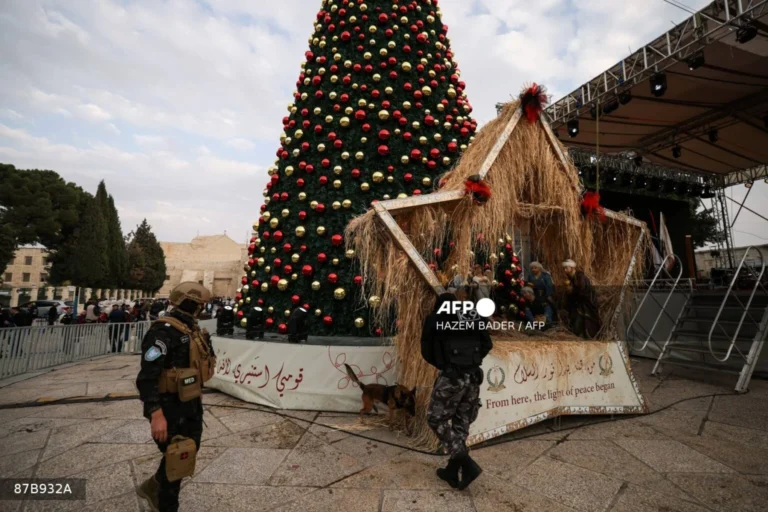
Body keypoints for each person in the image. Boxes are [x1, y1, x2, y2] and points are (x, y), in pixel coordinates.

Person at [136, 282, 216, 512]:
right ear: (189, 304)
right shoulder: (162, 332)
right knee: (179, 458)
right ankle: (165, 505)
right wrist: (156, 414)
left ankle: (153, 486)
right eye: (199, 305)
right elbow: (147, 377)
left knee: (190, 449)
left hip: (190, 405)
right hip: (168, 408)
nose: (202, 309)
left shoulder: (191, 330)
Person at [421, 292, 493, 490]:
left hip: (452, 378)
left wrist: (446, 365)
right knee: (462, 421)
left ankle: (466, 462)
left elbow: (426, 350)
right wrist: (471, 362)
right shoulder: (472, 315)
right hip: (473, 377)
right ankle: (452, 470)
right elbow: (487, 344)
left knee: (436, 419)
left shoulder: (435, 318)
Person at [562, 259, 601, 339]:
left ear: (572, 268)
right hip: (578, 303)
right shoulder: (571, 278)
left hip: (586, 303)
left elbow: (583, 290)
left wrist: (572, 290)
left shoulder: (580, 276)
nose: (565, 270)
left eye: (567, 268)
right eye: (564, 268)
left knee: (585, 321)